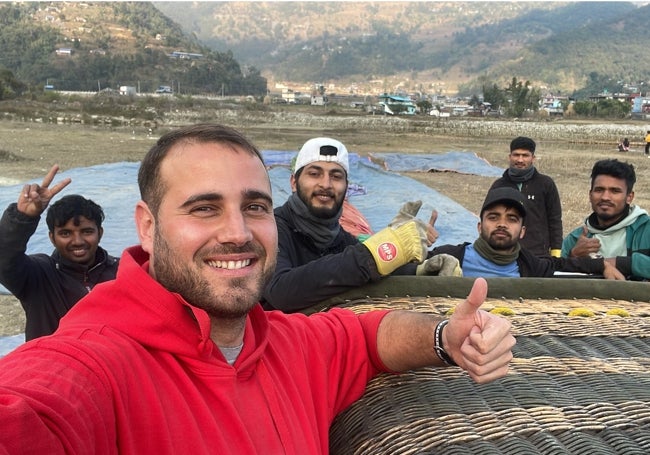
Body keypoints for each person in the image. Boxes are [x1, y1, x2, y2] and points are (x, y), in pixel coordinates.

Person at [0, 123, 515, 453]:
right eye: (204, 208)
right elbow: (33, 409)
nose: (238, 232)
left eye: (253, 207)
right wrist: (374, 255)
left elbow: (365, 335)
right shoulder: (100, 364)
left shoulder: (288, 345)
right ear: (147, 227)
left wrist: (445, 337)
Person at [263, 137, 461, 313]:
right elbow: (280, 292)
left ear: (346, 188)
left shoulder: (340, 240)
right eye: (314, 174)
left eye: (336, 176)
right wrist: (374, 254)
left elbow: (366, 268)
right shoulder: (272, 230)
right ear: (293, 182)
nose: (326, 184)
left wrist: (420, 271)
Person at [0, 165, 118, 341]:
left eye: (86, 231)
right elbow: (5, 258)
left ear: (99, 233)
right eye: (65, 233)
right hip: (52, 367)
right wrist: (22, 217)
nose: (77, 241)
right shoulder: (38, 275)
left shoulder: (122, 273)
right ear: (52, 238)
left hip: (109, 366)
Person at [429, 187, 623, 279]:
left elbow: (564, 265)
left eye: (512, 219)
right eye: (494, 217)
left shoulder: (532, 266)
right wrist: (410, 240)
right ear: (479, 226)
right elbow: (405, 266)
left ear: (522, 231)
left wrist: (602, 265)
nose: (502, 224)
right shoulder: (449, 258)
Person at [561, 159, 650, 280]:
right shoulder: (575, 239)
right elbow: (555, 280)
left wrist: (621, 263)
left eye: (615, 191)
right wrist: (573, 257)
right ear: (590, 195)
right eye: (599, 190)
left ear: (629, 197)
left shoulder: (646, 230)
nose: (605, 197)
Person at [489, 136, 563, 258]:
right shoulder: (499, 186)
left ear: (533, 158)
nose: (520, 160)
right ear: (509, 156)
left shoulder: (545, 184)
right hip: (505, 253)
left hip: (538, 254)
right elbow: (489, 218)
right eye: (516, 155)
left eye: (525, 155)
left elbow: (554, 219)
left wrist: (555, 252)